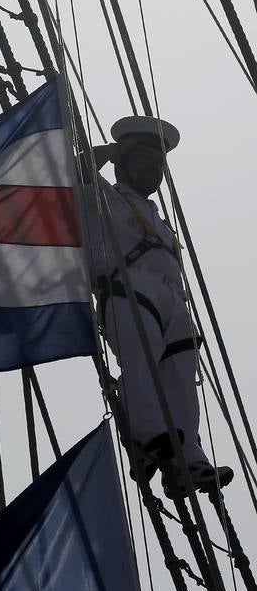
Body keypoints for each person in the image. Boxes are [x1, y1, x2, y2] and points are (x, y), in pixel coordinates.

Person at [81, 115, 233, 498]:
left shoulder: (159, 220)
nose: (154, 170)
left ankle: (189, 455)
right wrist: (114, 150)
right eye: (145, 160)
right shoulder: (103, 195)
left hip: (171, 299)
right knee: (143, 359)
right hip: (127, 289)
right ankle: (151, 436)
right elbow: (73, 168)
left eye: (158, 164)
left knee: (182, 369)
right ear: (123, 162)